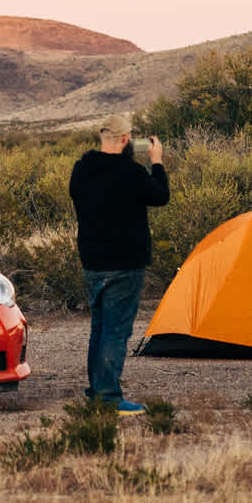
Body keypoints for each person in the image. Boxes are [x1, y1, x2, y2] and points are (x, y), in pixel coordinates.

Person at [68, 115, 170, 415]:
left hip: (92, 261)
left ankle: (98, 391)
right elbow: (160, 196)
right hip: (125, 263)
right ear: (125, 139)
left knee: (99, 328)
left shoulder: (82, 169)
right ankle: (109, 397)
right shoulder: (132, 172)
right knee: (115, 332)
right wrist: (157, 162)